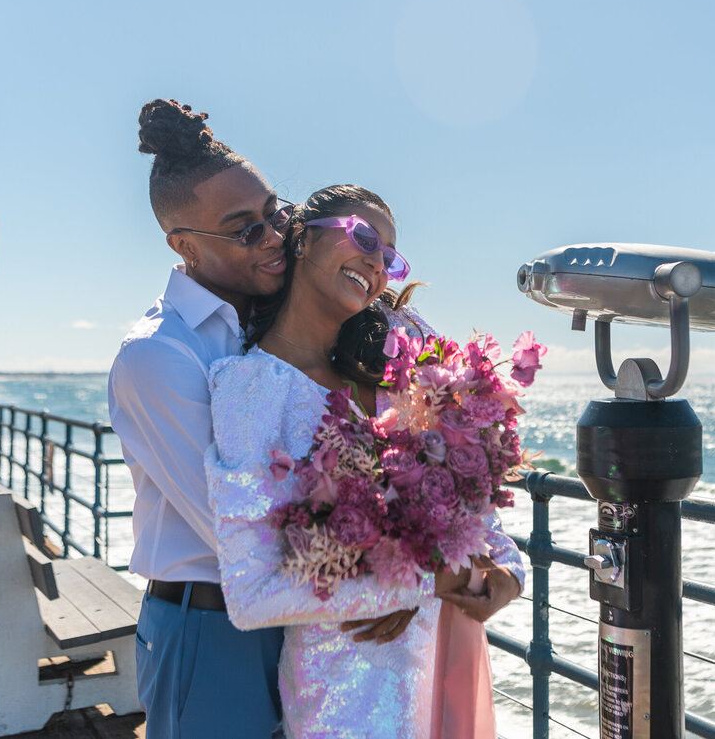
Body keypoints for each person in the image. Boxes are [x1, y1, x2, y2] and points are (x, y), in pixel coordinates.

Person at [204, 184, 525, 738]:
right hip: (344, 690)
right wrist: (423, 583)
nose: (377, 264)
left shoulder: (396, 353)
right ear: (301, 240)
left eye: (389, 257)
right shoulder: (249, 388)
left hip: (444, 648)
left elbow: (461, 492)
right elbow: (252, 592)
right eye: (364, 238)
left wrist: (508, 571)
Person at [108, 99, 292, 738]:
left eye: (277, 214)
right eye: (245, 230)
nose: (273, 239)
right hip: (211, 629)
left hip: (300, 619)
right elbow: (234, 527)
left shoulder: (274, 323)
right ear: (182, 244)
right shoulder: (159, 355)